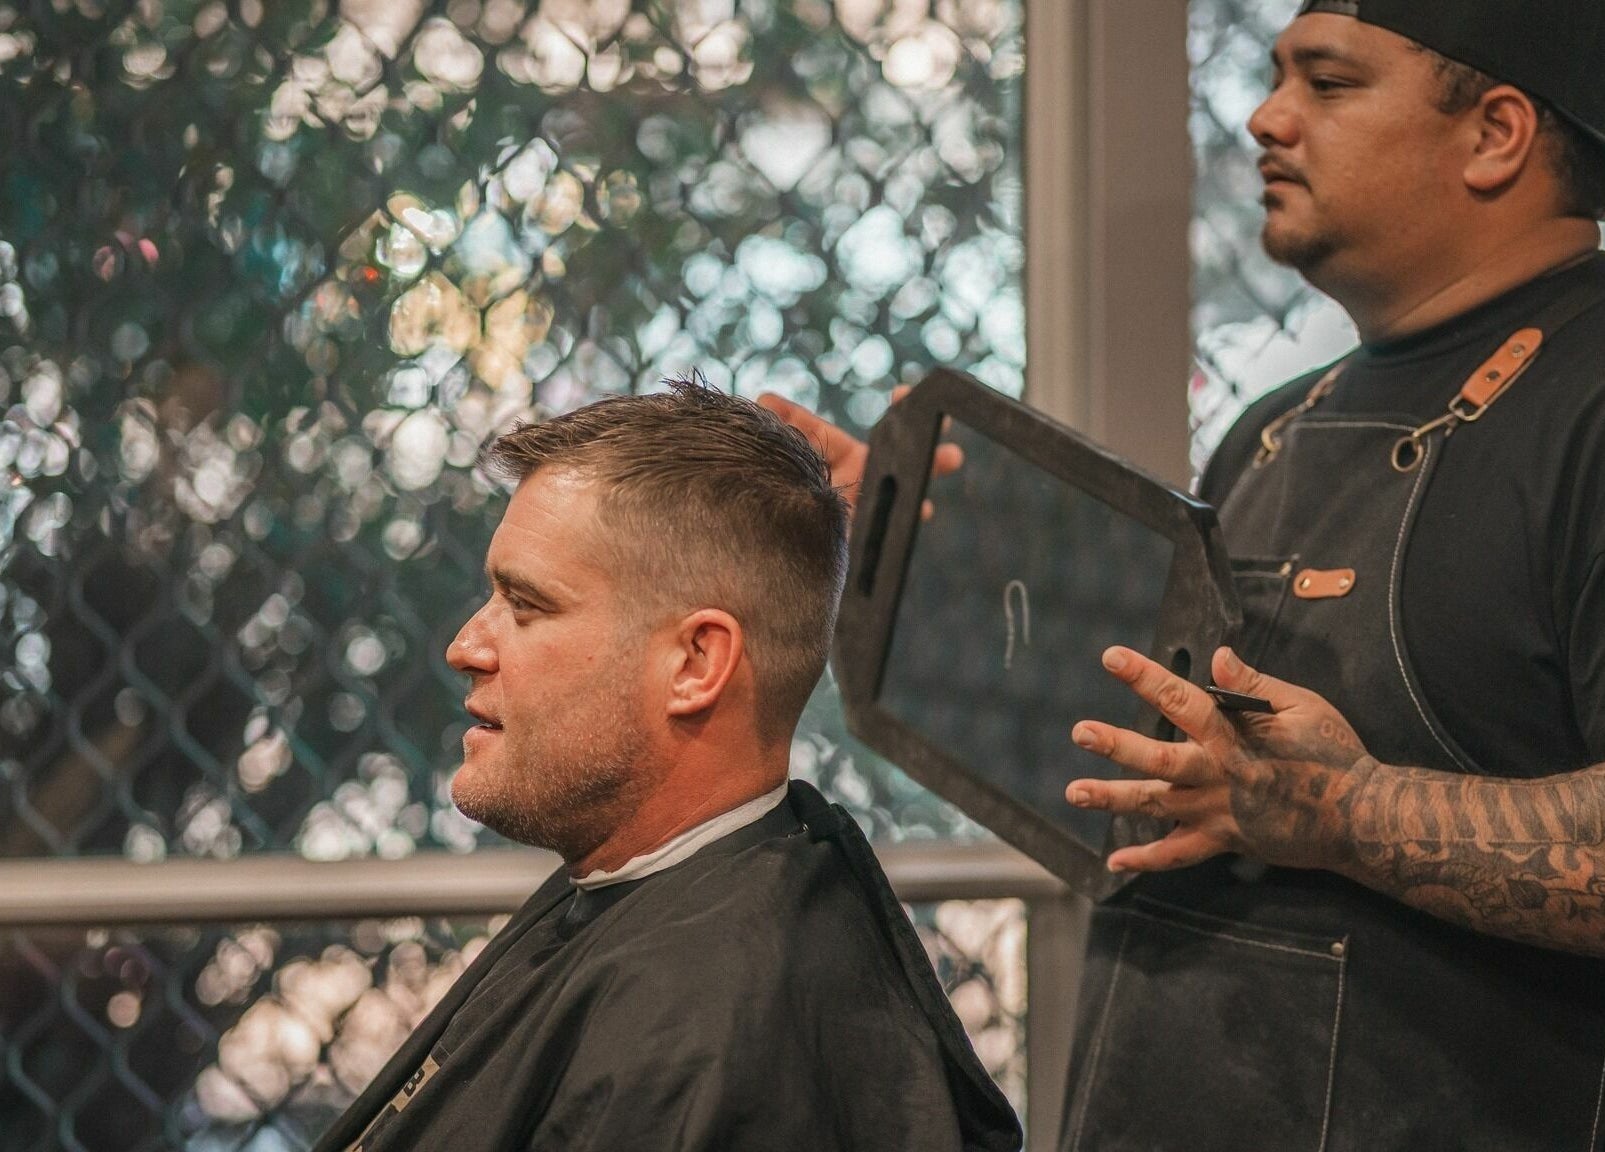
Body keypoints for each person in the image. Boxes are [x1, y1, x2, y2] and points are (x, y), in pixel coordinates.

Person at [763, 2, 1605, 1148]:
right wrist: (936, 569)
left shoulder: (1586, 411)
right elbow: (1158, 766)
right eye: (1276, 77)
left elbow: (1301, 801)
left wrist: (1346, 814)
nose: (1266, 118)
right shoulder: (1274, 429)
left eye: (1329, 83)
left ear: (1495, 134)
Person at [312, 380, 1022, 1152]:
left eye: (526, 605)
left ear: (695, 663)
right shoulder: (660, 907)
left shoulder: (716, 1032)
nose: (465, 647)